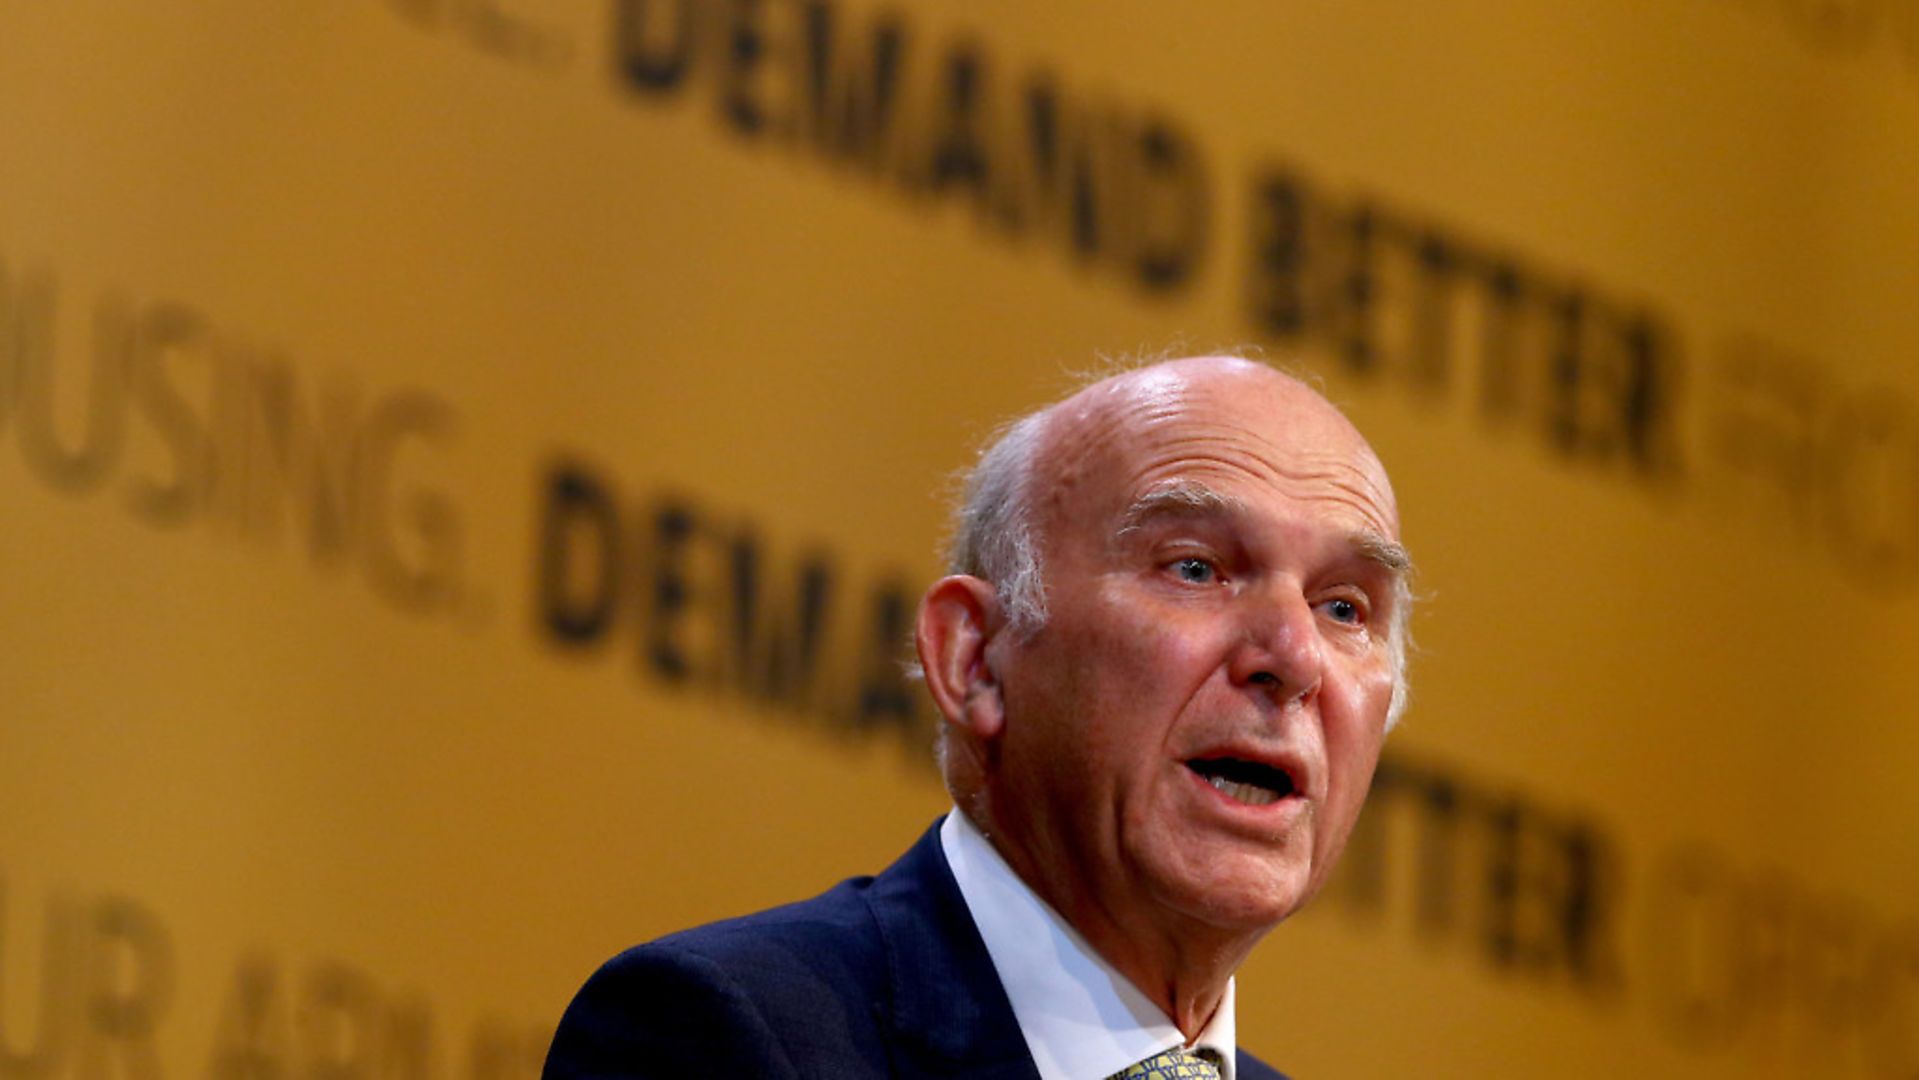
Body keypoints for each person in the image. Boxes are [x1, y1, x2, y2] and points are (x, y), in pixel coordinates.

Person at [544, 355, 1413, 1080]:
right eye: (1195, 569)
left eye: (1344, 609)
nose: (1294, 658)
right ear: (975, 659)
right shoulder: (725, 1039)